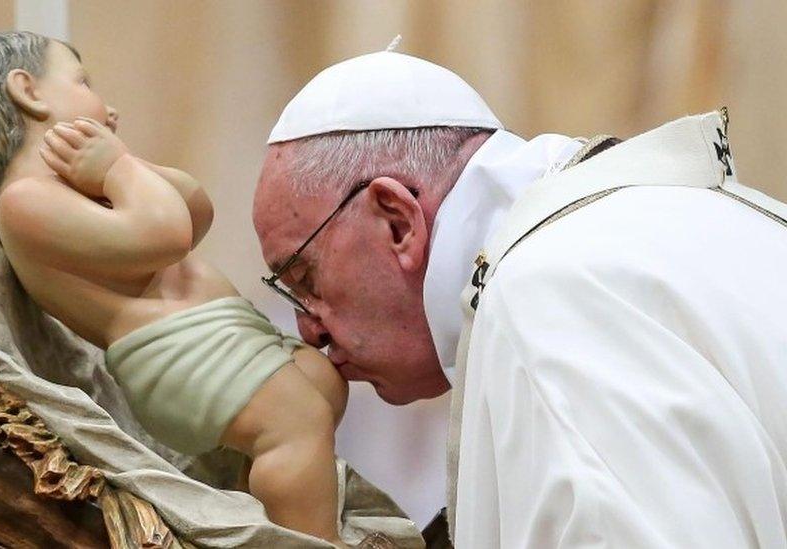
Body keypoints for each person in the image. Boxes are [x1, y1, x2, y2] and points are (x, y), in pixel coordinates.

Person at [253, 45, 787, 547]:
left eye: (305, 279)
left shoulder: (550, 295)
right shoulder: (674, 221)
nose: (310, 331)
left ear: (397, 221)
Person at [0, 31, 351, 546]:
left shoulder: (83, 185)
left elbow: (195, 213)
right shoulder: (25, 203)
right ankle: (310, 539)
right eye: (82, 81)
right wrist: (119, 168)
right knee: (296, 422)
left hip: (221, 338)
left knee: (320, 382)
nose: (108, 103)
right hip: (178, 354)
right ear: (29, 92)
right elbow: (166, 237)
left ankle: (267, 507)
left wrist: (122, 166)